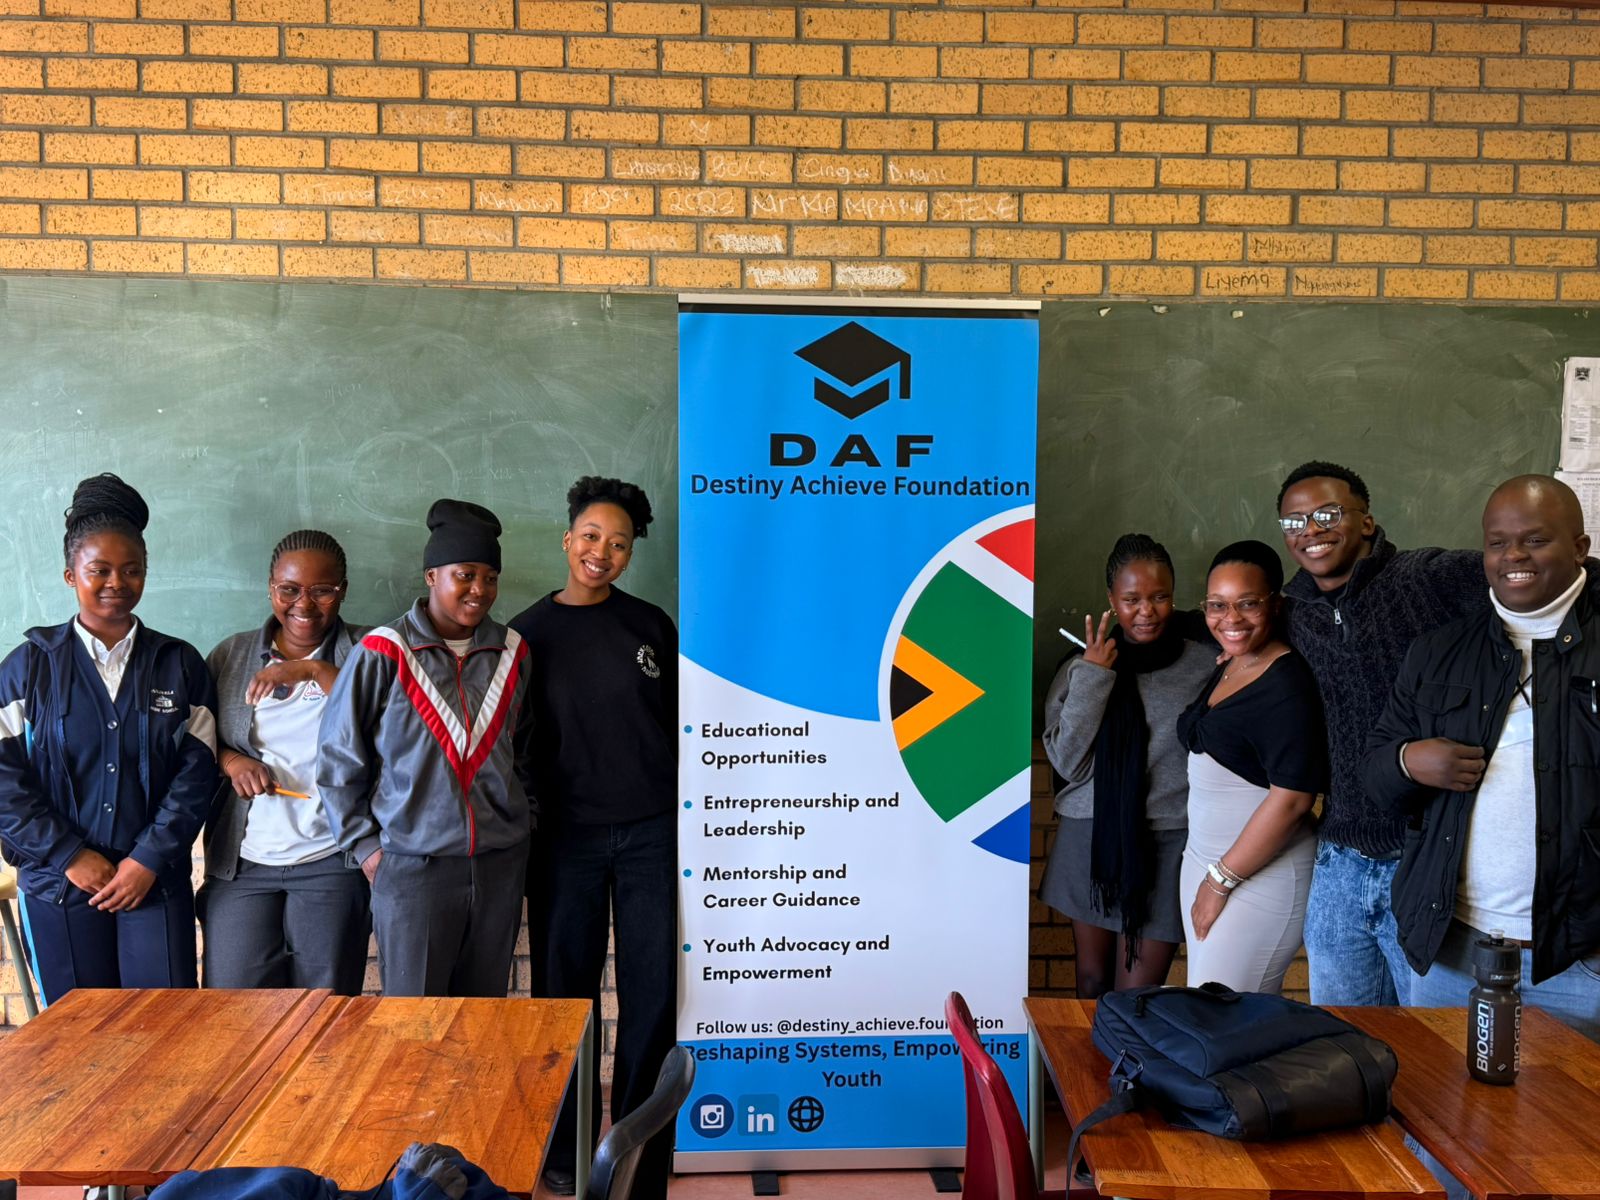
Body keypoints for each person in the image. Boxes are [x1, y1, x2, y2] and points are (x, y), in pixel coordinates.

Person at [1364, 475, 1600, 1041]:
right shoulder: (1438, 650)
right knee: (1442, 1098)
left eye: (1535, 540)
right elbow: (1374, 776)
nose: (1513, 556)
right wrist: (1407, 761)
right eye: (1497, 543)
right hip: (1453, 952)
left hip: (1583, 961)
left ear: (1579, 547)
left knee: (1573, 1104)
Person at [511, 476, 677, 1200]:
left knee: (652, 994)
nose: (601, 552)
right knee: (565, 998)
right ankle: (568, 1149)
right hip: (564, 841)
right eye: (590, 536)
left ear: (631, 552)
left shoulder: (651, 626)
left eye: (618, 543)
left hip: (652, 835)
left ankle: (638, 1150)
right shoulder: (526, 635)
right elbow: (515, 745)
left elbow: (679, 725)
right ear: (566, 539)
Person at [0, 473, 218, 1002]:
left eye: (132, 569)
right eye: (99, 569)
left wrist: (147, 859)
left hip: (152, 884)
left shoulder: (178, 663)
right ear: (70, 575)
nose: (116, 582)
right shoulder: (28, 668)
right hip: (58, 886)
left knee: (164, 1027)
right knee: (76, 1032)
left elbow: (197, 773)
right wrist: (69, 855)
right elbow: (4, 783)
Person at [1277, 461, 1486, 1007]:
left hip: (1425, 860)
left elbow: (1528, 570)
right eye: (1295, 521)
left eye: (1328, 514)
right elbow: (1224, 620)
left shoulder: (1425, 579)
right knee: (1344, 1040)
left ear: (1366, 521)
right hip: (1338, 862)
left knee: (1432, 1044)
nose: (1311, 529)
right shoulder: (1294, 611)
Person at [317, 499, 532, 998]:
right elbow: (339, 758)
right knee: (414, 1019)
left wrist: (524, 824)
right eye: (465, 575)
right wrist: (367, 848)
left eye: (490, 578)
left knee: (484, 1016)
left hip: (498, 866)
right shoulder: (383, 651)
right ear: (432, 576)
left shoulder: (513, 652)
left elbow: (527, 750)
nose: (479, 589)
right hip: (413, 869)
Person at [1040, 533, 1215, 996]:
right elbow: (1069, 763)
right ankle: (1087, 1052)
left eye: (1160, 597)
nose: (1146, 611)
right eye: (1132, 599)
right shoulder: (1081, 666)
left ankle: (1122, 1052)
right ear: (1111, 600)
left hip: (1168, 840)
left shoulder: (1206, 663)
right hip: (1091, 836)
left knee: (1139, 994)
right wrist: (1095, 676)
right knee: (1091, 982)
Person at [199, 530, 370, 994]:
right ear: (270, 588)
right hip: (243, 863)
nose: (304, 605)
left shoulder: (368, 651)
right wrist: (231, 761)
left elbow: (385, 723)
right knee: (233, 1007)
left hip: (332, 858)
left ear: (343, 590)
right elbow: (193, 742)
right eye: (289, 590)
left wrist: (313, 669)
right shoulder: (230, 655)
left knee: (326, 1008)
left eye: (322, 590)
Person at [1176, 541, 1328, 995]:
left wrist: (1220, 881)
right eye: (1217, 605)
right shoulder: (1232, 660)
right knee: (1208, 1013)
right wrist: (1208, 876)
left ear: (1275, 604)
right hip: (1203, 861)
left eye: (1247, 604)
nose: (1231, 618)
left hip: (1255, 876)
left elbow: (1293, 800)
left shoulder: (1287, 685)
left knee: (1222, 1018)